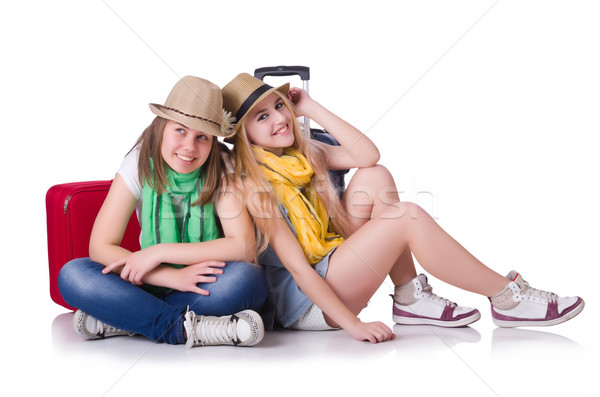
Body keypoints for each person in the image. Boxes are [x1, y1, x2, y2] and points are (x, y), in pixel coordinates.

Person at [221, 73, 584, 343]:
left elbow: (367, 155)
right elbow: (299, 271)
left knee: (375, 175)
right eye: (262, 117)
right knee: (406, 216)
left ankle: (409, 297)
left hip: (330, 265)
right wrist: (354, 325)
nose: (280, 119)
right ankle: (506, 298)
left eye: (279, 106)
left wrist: (311, 107)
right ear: (244, 135)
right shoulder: (253, 185)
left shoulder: (301, 155)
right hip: (308, 303)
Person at [58, 76, 268, 348]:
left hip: (201, 287)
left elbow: (244, 247)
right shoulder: (137, 162)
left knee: (248, 280)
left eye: (202, 136)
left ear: (213, 140)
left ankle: (128, 319)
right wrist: (171, 276)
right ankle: (189, 328)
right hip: (146, 283)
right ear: (161, 126)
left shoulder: (221, 165)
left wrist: (160, 252)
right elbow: (101, 246)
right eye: (180, 130)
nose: (189, 147)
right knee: (74, 274)